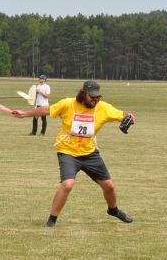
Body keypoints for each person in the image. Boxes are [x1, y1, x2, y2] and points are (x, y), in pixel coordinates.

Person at [11, 80, 135, 227]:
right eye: (92, 96)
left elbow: (121, 114)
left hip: (90, 153)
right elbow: (46, 110)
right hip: (67, 152)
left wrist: (130, 116)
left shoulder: (103, 108)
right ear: (84, 94)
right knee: (67, 185)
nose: (95, 100)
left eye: (97, 97)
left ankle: (113, 211)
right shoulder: (68, 104)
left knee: (109, 187)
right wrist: (24, 113)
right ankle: (52, 220)